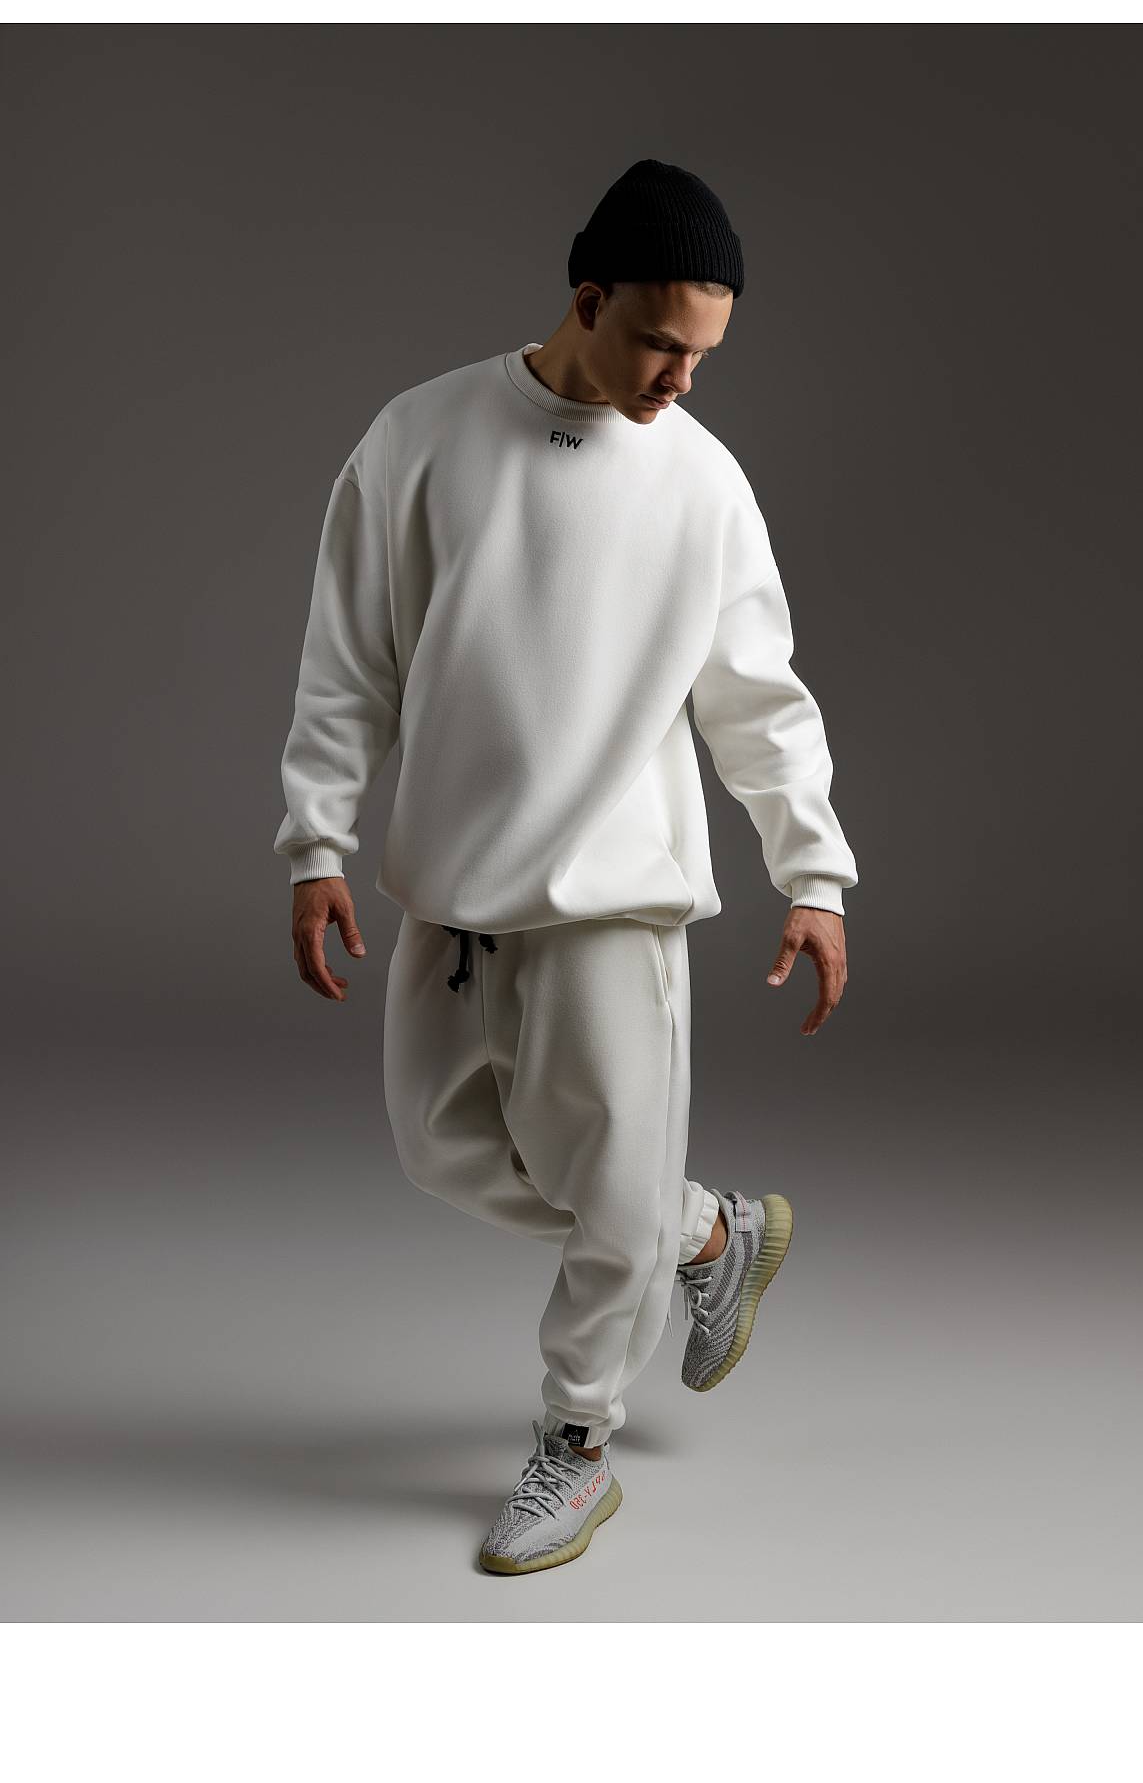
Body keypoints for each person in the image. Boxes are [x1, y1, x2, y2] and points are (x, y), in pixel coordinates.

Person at [273, 157, 858, 1576]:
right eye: (661, 343)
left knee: (606, 1190)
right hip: (454, 892)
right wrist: (316, 838)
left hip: (615, 901)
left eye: (704, 354)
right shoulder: (420, 437)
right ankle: (702, 1233)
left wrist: (813, 874)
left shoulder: (702, 485)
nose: (682, 380)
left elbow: (758, 699)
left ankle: (578, 1441)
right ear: (587, 298)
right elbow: (349, 662)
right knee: (439, 1147)